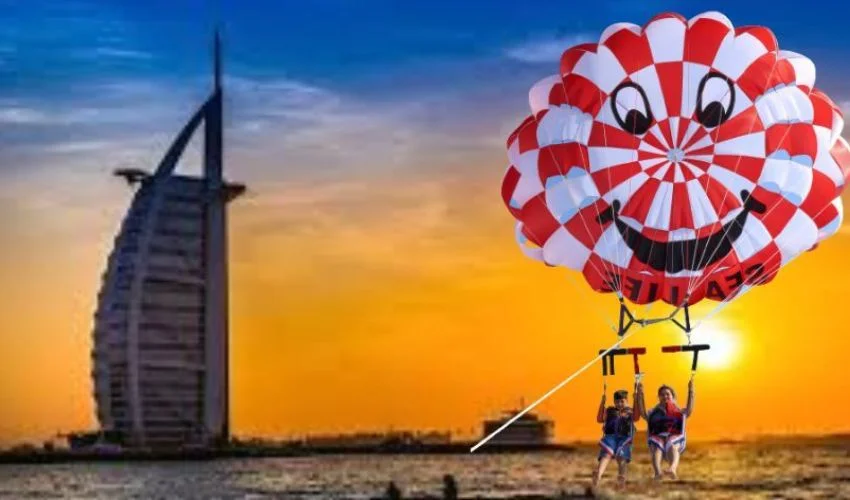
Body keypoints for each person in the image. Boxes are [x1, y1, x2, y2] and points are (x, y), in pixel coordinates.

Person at [637, 379, 695, 480]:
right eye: (662, 395)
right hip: (658, 437)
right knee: (657, 448)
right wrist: (640, 394)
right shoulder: (653, 412)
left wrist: (691, 391)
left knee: (672, 445)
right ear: (659, 397)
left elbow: (689, 410)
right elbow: (642, 413)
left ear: (672, 396)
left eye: (667, 394)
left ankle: (672, 469)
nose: (665, 397)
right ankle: (658, 473)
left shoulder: (679, 411)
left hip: (674, 437)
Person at [592, 387, 641, 488]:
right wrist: (602, 403)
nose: (619, 404)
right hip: (610, 437)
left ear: (627, 401)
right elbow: (599, 419)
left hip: (624, 438)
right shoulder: (610, 411)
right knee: (606, 455)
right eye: (617, 402)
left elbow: (636, 418)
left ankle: (621, 477)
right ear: (614, 402)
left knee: (621, 458)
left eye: (622, 402)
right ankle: (598, 474)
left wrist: (636, 400)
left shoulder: (630, 411)